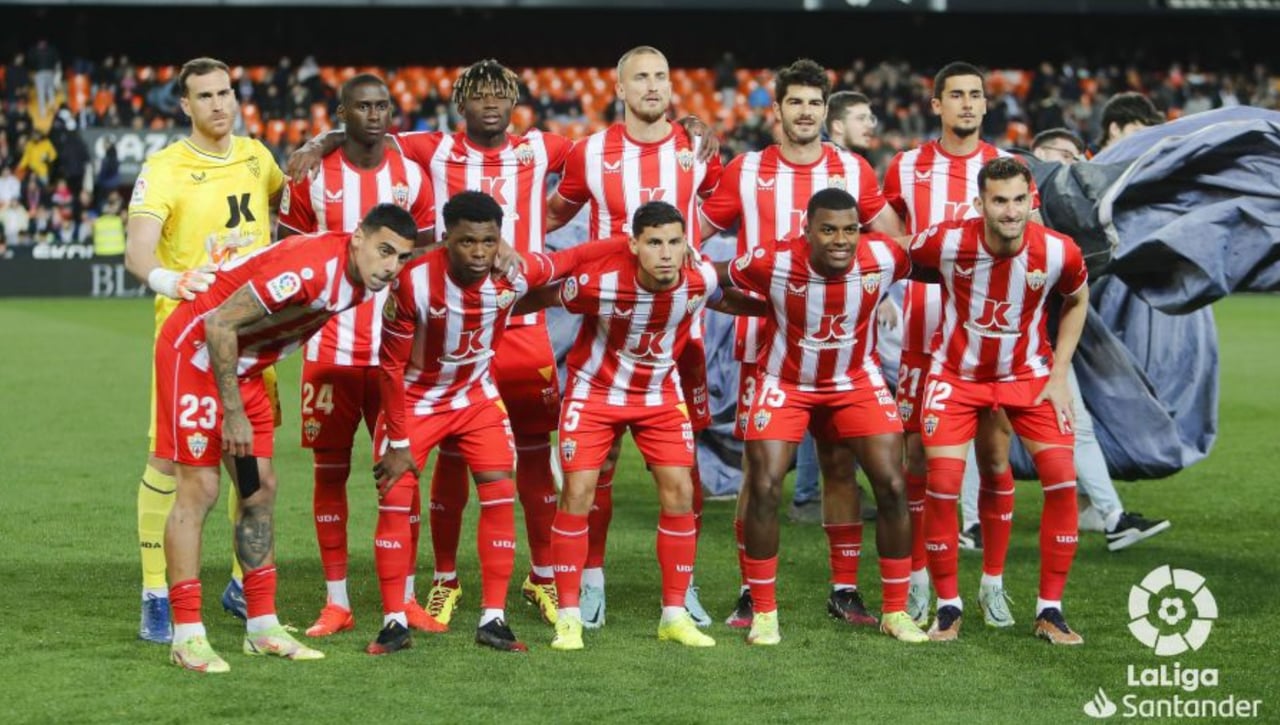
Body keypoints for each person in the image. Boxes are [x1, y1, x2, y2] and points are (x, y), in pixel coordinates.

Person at [288, 59, 576, 629]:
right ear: (459, 103)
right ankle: (444, 580)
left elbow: (607, 155)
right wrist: (320, 141)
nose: (490, 103)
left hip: (517, 324)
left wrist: (687, 127)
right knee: (447, 450)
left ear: (515, 101)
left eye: (501, 94)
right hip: (442, 328)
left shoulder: (541, 148)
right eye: (479, 95)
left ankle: (541, 575)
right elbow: (368, 129)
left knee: (532, 453)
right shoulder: (432, 150)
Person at [156, 203, 418, 672]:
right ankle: (187, 635)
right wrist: (233, 412)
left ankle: (262, 627)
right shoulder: (310, 270)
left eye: (401, 257)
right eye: (385, 251)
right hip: (196, 357)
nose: (391, 266)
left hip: (244, 368)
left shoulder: (363, 276)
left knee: (259, 490)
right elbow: (218, 323)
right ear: (358, 238)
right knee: (201, 491)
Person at [699, 58, 903, 628]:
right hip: (763, 340)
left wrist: (877, 292)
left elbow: (892, 240)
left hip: (839, 345)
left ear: (826, 110)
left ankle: (844, 590)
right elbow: (696, 235)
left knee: (839, 463)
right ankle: (751, 592)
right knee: (759, 471)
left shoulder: (852, 168)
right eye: (796, 102)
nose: (806, 112)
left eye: (815, 102)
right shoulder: (746, 170)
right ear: (778, 109)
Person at [369, 191, 599, 654]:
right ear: (445, 240)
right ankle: (394, 621)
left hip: (475, 397)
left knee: (499, 492)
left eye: (488, 242)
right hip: (417, 400)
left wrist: (630, 246)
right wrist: (397, 441)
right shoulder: (413, 283)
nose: (478, 252)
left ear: (500, 240)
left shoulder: (510, 274)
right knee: (394, 497)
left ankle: (493, 617)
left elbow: (573, 258)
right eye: (467, 241)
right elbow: (390, 366)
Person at [545, 45, 723, 629]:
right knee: (597, 468)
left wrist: (696, 262)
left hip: (681, 334)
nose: (652, 86)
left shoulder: (697, 148)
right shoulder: (590, 152)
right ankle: (590, 580)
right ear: (620, 90)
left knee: (685, 468)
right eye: (640, 78)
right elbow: (550, 214)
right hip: (609, 322)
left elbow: (724, 205)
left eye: (661, 77)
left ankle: (683, 587)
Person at [715, 187, 927, 646]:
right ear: (806, 230)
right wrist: (765, 307)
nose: (841, 240)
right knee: (764, 484)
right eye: (828, 230)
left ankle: (895, 610)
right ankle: (763, 611)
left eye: (850, 230)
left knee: (893, 484)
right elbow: (710, 280)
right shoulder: (773, 261)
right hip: (786, 383)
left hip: (855, 381)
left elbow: (939, 262)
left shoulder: (883, 256)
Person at [124, 57, 284, 645]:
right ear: (185, 105)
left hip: (252, 340)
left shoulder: (257, 158)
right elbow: (138, 252)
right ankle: (155, 593)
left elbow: (285, 205)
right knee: (169, 464)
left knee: (254, 471)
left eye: (225, 92)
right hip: (188, 341)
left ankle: (243, 584)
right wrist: (171, 279)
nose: (219, 104)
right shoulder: (164, 168)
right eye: (205, 96)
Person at [900, 157, 1089, 645]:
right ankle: (948, 606)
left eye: (1019, 200)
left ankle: (1049, 610)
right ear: (979, 204)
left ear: (1032, 200)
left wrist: (1060, 373)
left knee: (1062, 481)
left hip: (1027, 376)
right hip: (957, 376)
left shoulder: (1059, 251)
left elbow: (1078, 299)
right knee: (943, 483)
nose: (1010, 211)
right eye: (999, 201)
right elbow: (895, 253)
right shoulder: (947, 242)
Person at [276, 73, 436, 639]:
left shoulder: (410, 176)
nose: (374, 114)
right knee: (331, 474)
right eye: (362, 106)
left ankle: (406, 598)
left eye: (382, 105)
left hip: (395, 356)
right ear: (342, 113)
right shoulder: (313, 175)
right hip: (330, 350)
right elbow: (289, 251)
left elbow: (425, 259)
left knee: (402, 474)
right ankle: (337, 601)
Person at [882, 61, 1039, 627]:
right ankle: (920, 579)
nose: (967, 104)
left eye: (976, 95)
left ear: (986, 105)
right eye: (956, 95)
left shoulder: (1009, 167)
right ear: (936, 104)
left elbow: (1030, 246)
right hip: (923, 332)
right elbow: (891, 241)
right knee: (917, 459)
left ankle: (992, 583)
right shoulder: (906, 166)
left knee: (994, 458)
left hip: (988, 341)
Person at [533, 201, 723, 651]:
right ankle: (569, 616)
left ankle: (674, 614)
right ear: (633, 244)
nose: (665, 253)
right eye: (654, 242)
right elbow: (546, 296)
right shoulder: (597, 284)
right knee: (578, 493)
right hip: (595, 392)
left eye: (674, 242)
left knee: (680, 491)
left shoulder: (701, 278)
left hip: (659, 394)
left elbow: (726, 294)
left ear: (687, 245)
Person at [1097, 92, 1164, 151]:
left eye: (1147, 135)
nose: (1143, 140)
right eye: (1137, 132)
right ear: (1115, 129)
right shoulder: (1091, 160)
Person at [826, 91, 878, 157]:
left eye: (870, 119)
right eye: (861, 118)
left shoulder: (861, 161)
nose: (870, 125)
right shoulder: (821, 161)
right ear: (838, 126)